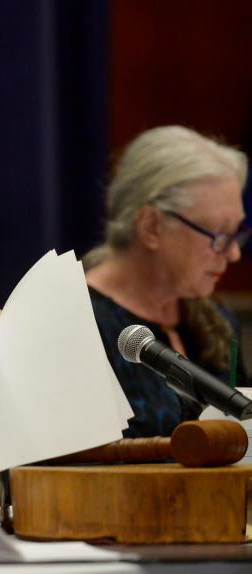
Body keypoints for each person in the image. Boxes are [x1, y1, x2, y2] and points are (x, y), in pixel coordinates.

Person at [84, 125, 249, 438]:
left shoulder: (218, 321)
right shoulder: (76, 323)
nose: (234, 254)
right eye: (219, 236)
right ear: (151, 226)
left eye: (237, 232)